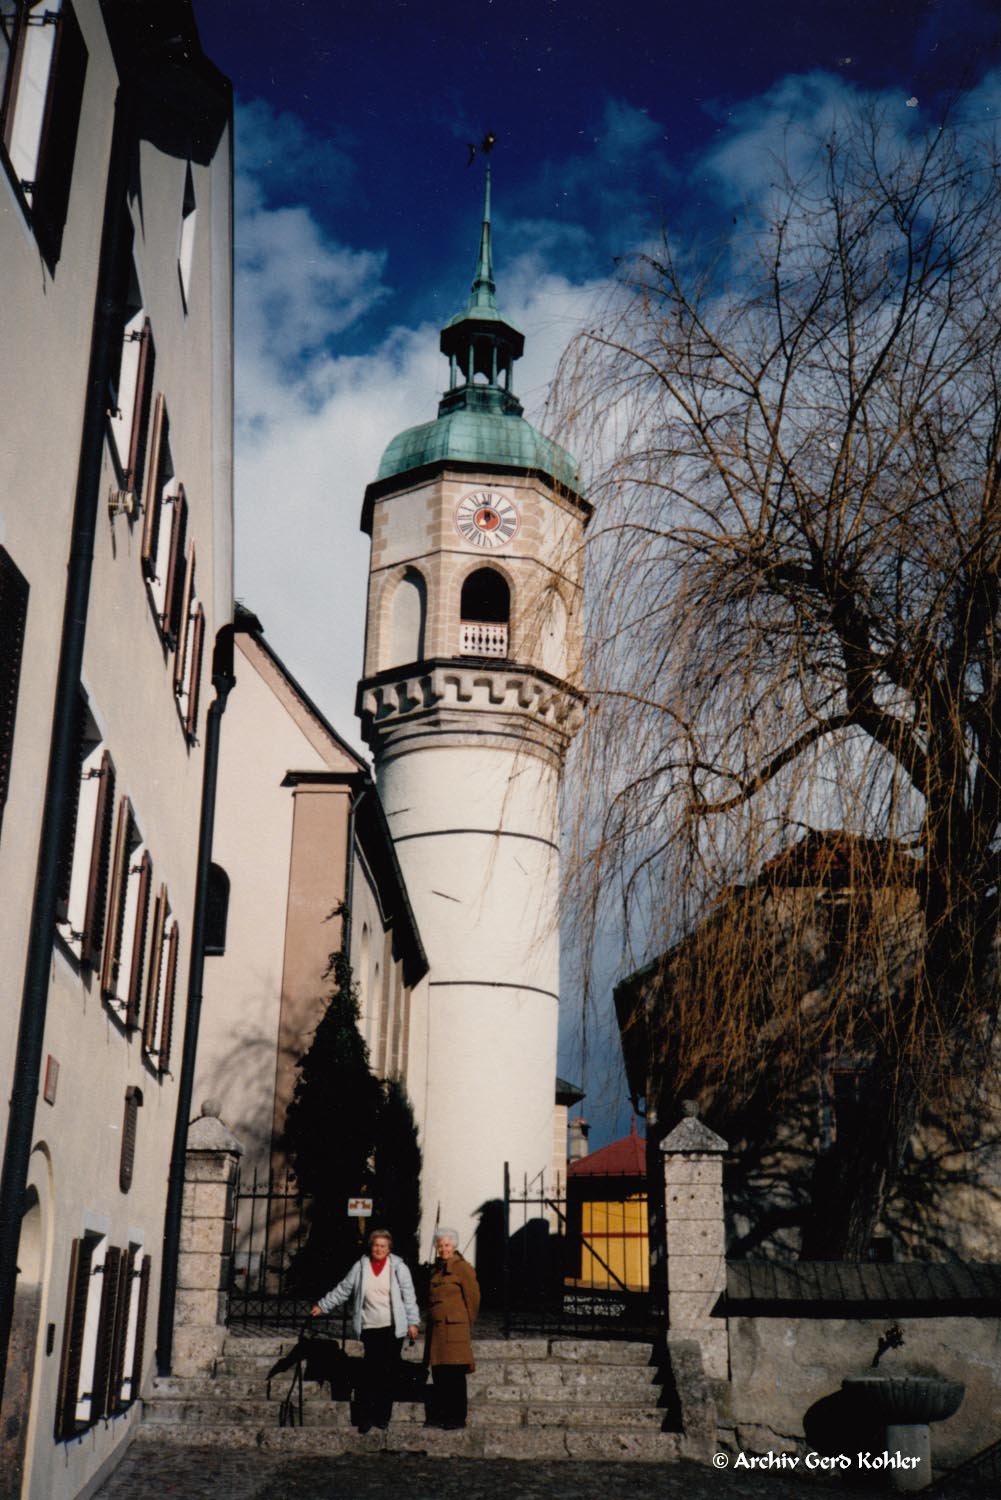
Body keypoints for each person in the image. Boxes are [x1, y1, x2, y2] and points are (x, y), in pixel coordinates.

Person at [311, 1228, 419, 1433]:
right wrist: (323, 1305)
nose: (379, 1249)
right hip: (370, 1326)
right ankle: (366, 1417)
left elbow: (409, 1295)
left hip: (392, 1327)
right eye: (376, 1245)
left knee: (388, 1372)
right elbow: (344, 1289)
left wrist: (413, 1322)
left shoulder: (398, 1267)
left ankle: (382, 1416)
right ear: (371, 1246)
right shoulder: (360, 1267)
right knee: (371, 1373)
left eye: (383, 1246)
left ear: (389, 1249)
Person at [425, 1227, 479, 1429]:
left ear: (454, 1246)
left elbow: (473, 1299)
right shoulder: (436, 1269)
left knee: (455, 1375)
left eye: (446, 1245)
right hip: (438, 1331)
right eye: (439, 1245)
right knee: (440, 1373)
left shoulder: (462, 1268)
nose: (443, 1249)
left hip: (455, 1330)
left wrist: (465, 1323)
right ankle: (442, 1415)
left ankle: (456, 1417)